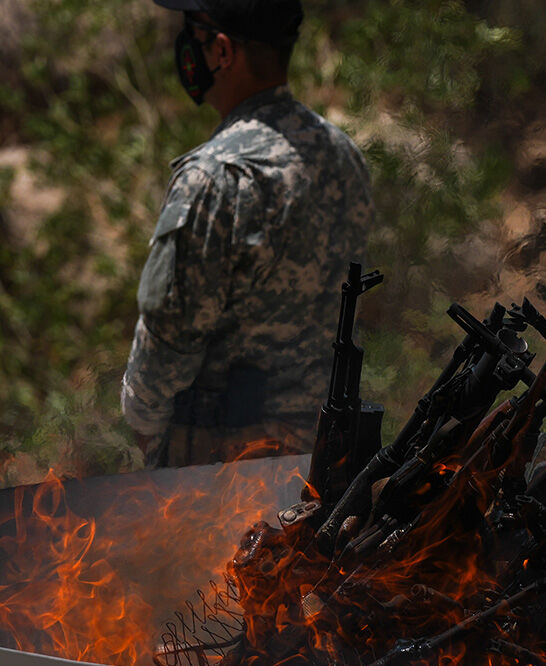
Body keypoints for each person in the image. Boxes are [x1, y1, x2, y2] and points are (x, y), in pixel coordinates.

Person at [121, 0, 374, 467]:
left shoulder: (214, 176)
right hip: (320, 461)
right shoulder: (345, 157)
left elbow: (168, 339)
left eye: (191, 33)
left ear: (220, 51)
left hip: (217, 477)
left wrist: (146, 430)